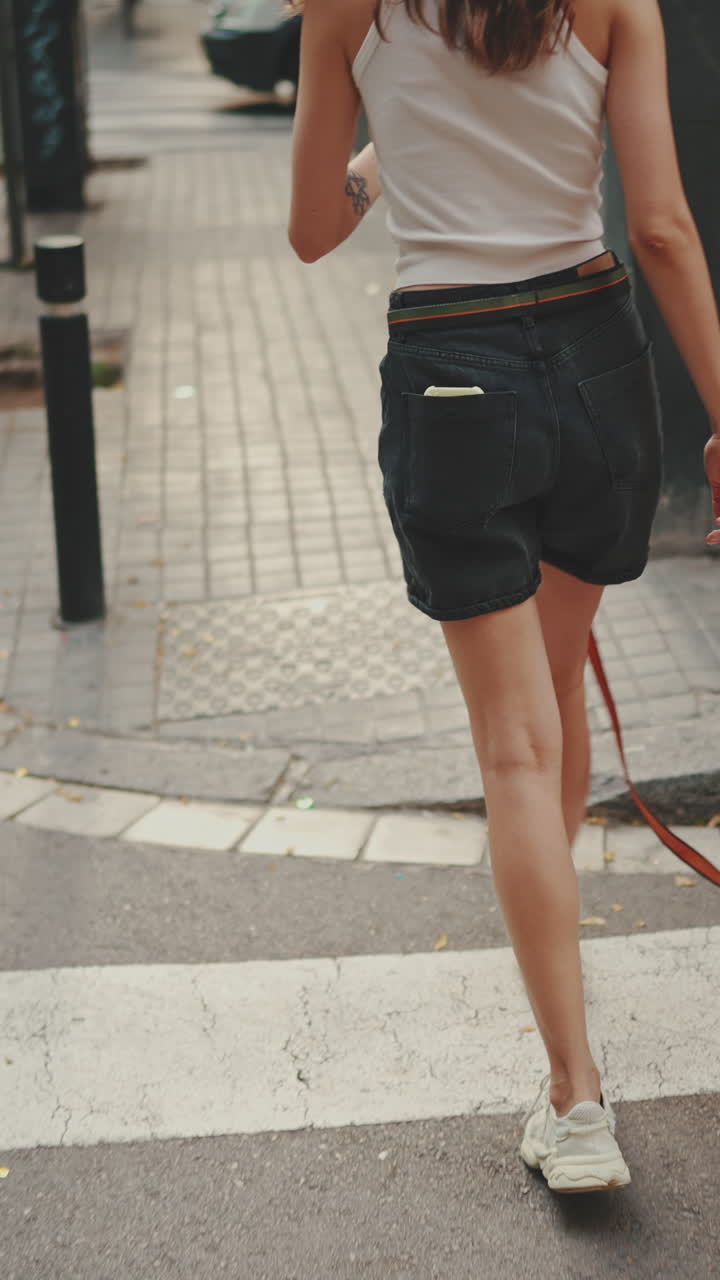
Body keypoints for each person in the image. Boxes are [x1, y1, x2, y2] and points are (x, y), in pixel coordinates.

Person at [288, 0, 720, 1193]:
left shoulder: (345, 10)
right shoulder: (617, 4)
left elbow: (311, 231)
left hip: (453, 367)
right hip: (597, 360)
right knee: (557, 689)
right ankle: (562, 986)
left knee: (516, 749)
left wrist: (386, 155)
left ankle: (577, 1099)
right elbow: (666, 230)